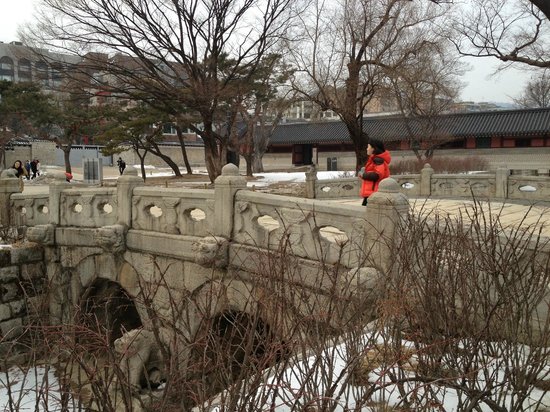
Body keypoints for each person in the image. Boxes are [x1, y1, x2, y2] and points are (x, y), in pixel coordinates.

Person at [358, 139, 391, 206]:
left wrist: (363, 174)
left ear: (374, 148)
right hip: (372, 192)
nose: (367, 149)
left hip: (374, 193)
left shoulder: (378, 160)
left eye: (368, 147)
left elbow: (378, 175)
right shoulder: (374, 159)